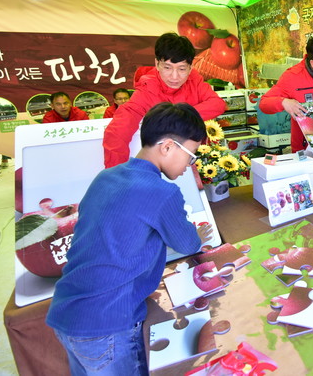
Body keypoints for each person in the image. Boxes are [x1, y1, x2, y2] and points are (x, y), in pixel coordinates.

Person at [46, 102, 213, 375]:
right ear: (167, 147)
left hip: (66, 312)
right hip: (108, 324)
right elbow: (188, 244)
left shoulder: (105, 177)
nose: (189, 165)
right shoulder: (161, 191)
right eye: (191, 155)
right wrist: (196, 234)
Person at [103, 32, 226, 168]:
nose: (174, 77)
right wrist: (117, 173)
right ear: (157, 64)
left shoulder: (194, 80)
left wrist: (177, 116)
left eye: (182, 69)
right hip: (163, 163)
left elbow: (217, 104)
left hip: (196, 158)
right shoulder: (147, 89)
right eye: (167, 67)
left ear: (190, 67)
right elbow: (117, 133)